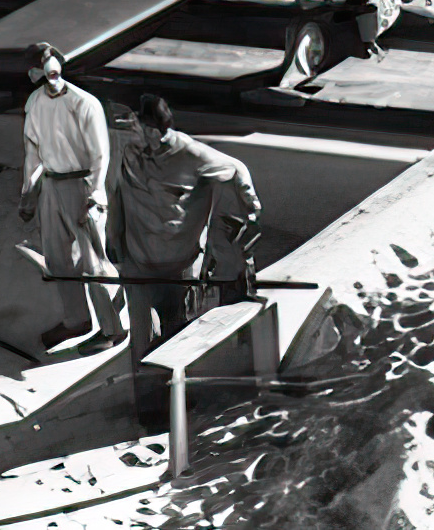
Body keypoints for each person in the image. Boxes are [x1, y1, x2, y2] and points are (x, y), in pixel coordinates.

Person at [109, 94, 261, 428]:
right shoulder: (130, 152)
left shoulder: (191, 155)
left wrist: (241, 222)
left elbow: (237, 171)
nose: (130, 130)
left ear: (153, 130)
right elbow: (119, 193)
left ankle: (175, 406)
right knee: (141, 340)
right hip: (137, 263)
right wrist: (113, 237)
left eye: (136, 124)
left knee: (176, 339)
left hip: (178, 267)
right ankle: (149, 412)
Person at [19, 42, 123, 351]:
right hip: (52, 185)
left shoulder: (84, 103)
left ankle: (112, 329)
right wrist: (28, 195)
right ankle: (77, 320)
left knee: (93, 262)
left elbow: (100, 154)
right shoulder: (34, 102)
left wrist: (96, 194)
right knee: (57, 259)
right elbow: (32, 153)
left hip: (82, 186)